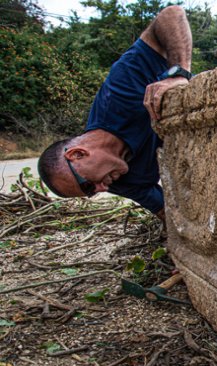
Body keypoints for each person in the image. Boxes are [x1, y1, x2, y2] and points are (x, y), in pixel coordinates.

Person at [37, 5, 193, 221]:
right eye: (91, 193)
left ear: (77, 154)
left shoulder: (118, 95)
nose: (101, 189)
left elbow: (171, 15)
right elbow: (166, 211)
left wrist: (178, 73)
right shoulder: (120, 182)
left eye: (88, 184)